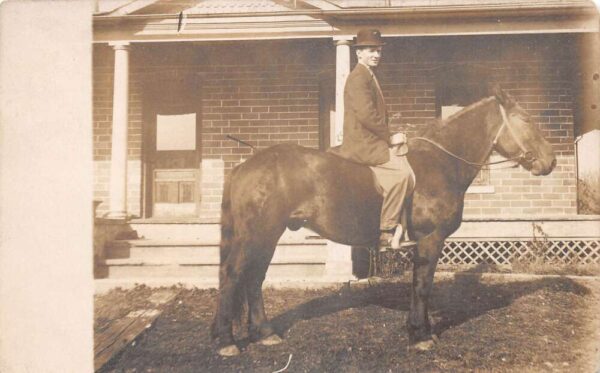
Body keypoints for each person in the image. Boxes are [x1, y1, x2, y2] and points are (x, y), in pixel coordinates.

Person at [332, 29, 416, 251]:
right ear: (358, 53)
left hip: (370, 140)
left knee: (405, 161)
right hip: (363, 144)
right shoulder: (358, 77)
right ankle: (387, 232)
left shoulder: (368, 75)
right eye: (371, 50)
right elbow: (367, 115)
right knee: (402, 175)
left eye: (378, 50)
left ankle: (403, 228)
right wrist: (389, 137)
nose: (376, 54)